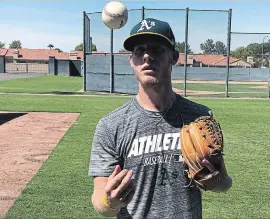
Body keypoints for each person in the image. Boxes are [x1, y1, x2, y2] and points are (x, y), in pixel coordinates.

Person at [88, 18, 232, 219]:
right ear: (132, 61)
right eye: (139, 51)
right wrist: (109, 200)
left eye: (156, 49)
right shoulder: (111, 125)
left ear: (173, 57)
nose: (147, 56)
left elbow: (223, 185)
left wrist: (216, 177)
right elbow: (99, 199)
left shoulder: (200, 117)